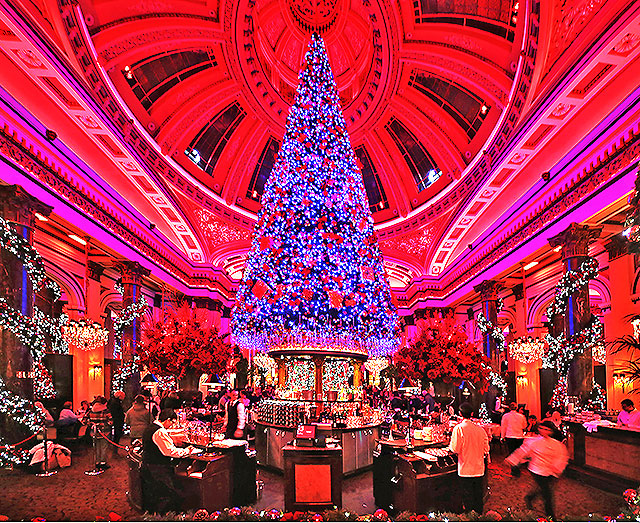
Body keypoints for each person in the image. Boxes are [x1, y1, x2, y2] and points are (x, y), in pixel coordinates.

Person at [505, 420, 569, 520]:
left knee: (544, 488)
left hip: (551, 471)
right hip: (536, 470)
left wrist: (557, 468)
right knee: (547, 493)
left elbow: (562, 456)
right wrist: (512, 460)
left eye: (546, 429)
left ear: (551, 431)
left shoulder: (557, 444)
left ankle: (530, 497)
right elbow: (522, 451)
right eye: (541, 428)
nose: (543, 431)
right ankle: (551, 516)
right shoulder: (533, 441)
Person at [141, 408, 200, 514]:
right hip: (157, 468)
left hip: (148, 465)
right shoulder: (160, 431)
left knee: (154, 493)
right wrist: (187, 451)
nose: (172, 426)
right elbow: (169, 452)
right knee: (167, 494)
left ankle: (154, 516)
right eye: (172, 423)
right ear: (168, 420)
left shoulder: (150, 427)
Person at [449, 402, 490, 514]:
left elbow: (455, 449)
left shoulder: (459, 428)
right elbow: (486, 449)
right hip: (479, 469)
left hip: (465, 469)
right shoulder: (480, 430)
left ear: (460, 413)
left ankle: (469, 518)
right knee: (478, 497)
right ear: (472, 413)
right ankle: (479, 518)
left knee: (467, 499)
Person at [87, 396, 112, 470]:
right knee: (103, 447)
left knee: (96, 447)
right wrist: (103, 424)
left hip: (94, 432)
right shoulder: (106, 411)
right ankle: (103, 462)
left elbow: (84, 421)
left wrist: (92, 423)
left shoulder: (91, 410)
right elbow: (110, 422)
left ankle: (97, 462)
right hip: (105, 432)